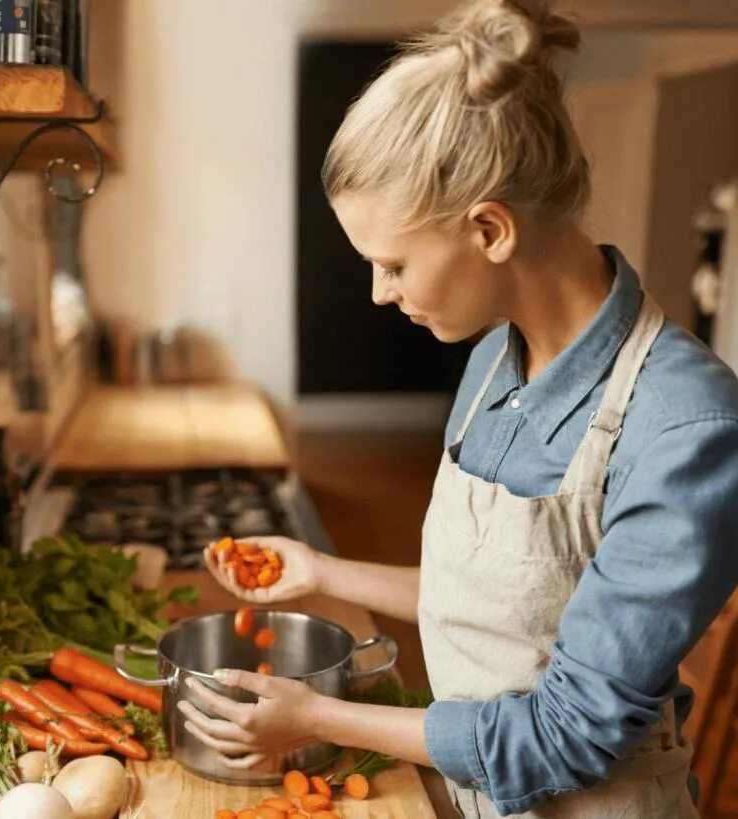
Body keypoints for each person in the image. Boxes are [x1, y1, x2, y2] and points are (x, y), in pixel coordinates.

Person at [181, 0, 738, 816]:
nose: (380, 292)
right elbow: (507, 602)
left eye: (394, 263)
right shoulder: (488, 363)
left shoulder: (686, 427)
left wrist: (322, 718)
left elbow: (570, 733)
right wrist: (322, 571)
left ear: (489, 229)